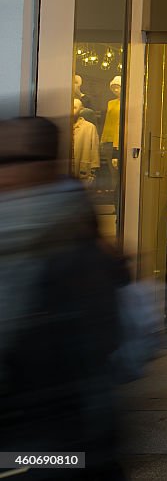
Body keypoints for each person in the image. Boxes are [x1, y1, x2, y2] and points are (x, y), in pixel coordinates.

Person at [0, 116, 126, 477]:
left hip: (59, 435)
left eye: (12, 161)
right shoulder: (29, 228)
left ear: (42, 166)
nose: (5, 173)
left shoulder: (74, 241)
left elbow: (102, 342)